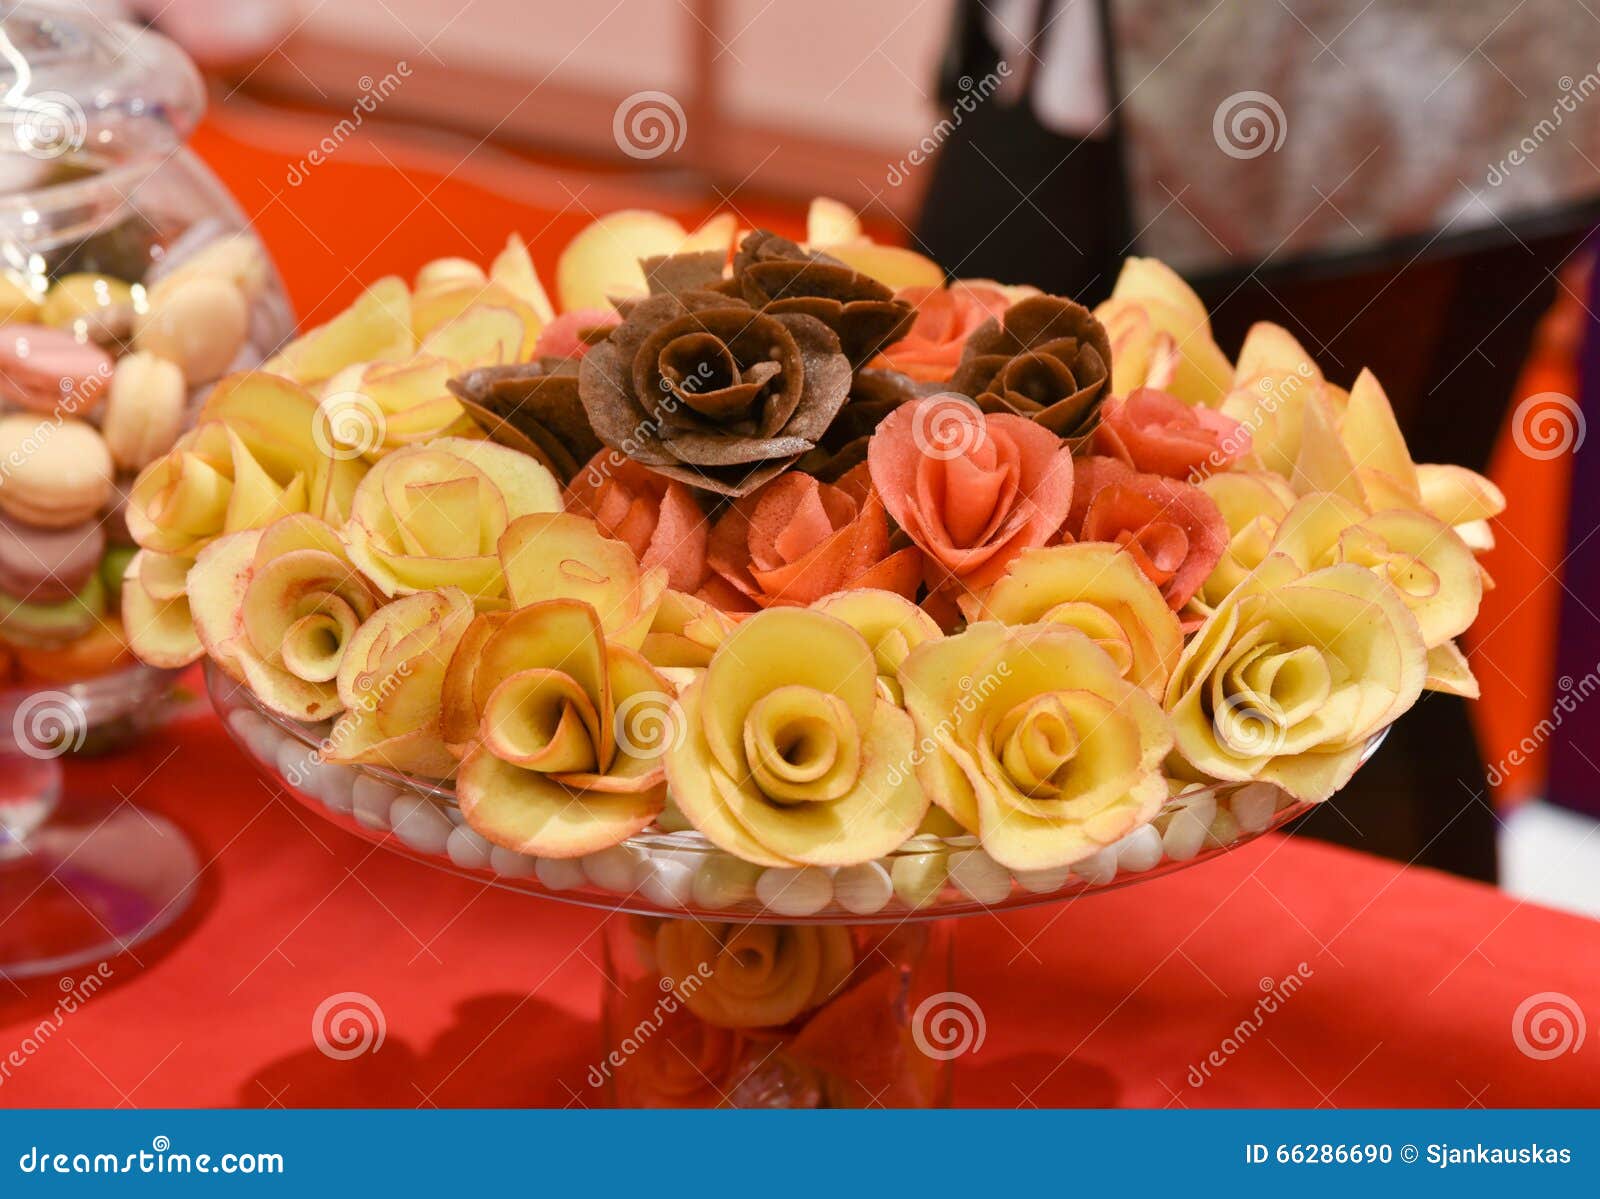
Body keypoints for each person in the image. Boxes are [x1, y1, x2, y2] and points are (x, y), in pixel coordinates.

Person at [916, 0, 1600, 881]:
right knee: (962, 539)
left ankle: (1375, 965)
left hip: (1384, 82)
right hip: (1064, 60)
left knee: (1359, 607)